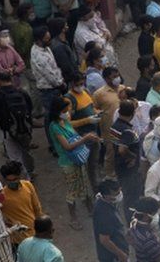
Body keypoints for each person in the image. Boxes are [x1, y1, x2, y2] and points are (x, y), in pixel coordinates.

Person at [47, 97, 98, 229]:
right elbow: (67, 147)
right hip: (68, 162)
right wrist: (85, 138)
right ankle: (73, 218)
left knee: (85, 184)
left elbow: (74, 136)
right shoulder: (55, 127)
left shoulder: (65, 121)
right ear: (58, 111)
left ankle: (91, 209)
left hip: (78, 159)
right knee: (73, 190)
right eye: (65, 110)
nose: (68, 112)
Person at [0, 72, 36, 178]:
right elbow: (30, 107)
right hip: (25, 128)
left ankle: (24, 178)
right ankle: (30, 171)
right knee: (26, 151)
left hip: (7, 129)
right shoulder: (21, 92)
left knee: (14, 155)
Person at [66, 72, 103, 192]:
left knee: (94, 163)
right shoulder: (69, 99)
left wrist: (97, 112)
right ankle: (88, 190)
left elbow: (91, 108)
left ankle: (97, 186)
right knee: (85, 166)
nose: (80, 86)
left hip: (94, 133)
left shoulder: (85, 92)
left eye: (82, 83)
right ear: (72, 84)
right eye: (78, 84)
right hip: (83, 137)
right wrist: (87, 120)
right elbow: (68, 123)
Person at [30, 26, 64, 143]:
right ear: (39, 40)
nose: (49, 40)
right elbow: (50, 76)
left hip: (54, 85)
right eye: (46, 39)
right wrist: (60, 83)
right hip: (49, 90)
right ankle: (54, 143)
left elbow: (54, 67)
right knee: (51, 118)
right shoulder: (39, 56)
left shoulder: (45, 48)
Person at [94, 179, 130, 262]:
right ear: (106, 195)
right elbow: (104, 240)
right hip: (113, 259)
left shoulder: (106, 203)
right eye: (116, 193)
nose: (119, 195)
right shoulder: (104, 213)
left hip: (117, 253)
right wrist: (121, 255)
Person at [0, 160, 42, 247]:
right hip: (18, 240)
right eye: (9, 180)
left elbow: (37, 208)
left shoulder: (28, 185)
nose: (12, 182)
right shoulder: (1, 196)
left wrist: (42, 227)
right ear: (5, 180)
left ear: (20, 176)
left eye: (15, 179)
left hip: (35, 232)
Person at [92, 66, 125, 176]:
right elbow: (94, 108)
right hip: (109, 129)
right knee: (110, 152)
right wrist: (99, 114)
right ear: (106, 79)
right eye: (114, 77)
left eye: (117, 76)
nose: (117, 78)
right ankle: (109, 175)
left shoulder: (123, 89)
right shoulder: (99, 94)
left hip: (124, 125)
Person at [111, 100, 142, 213]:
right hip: (129, 169)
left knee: (127, 194)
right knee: (132, 197)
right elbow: (122, 149)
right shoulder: (127, 131)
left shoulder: (115, 126)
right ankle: (131, 221)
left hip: (120, 166)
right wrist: (132, 156)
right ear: (132, 113)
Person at [47, 18, 76, 82]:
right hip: (69, 79)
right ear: (62, 29)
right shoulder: (58, 46)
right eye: (66, 25)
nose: (67, 27)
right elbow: (66, 66)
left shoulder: (62, 41)